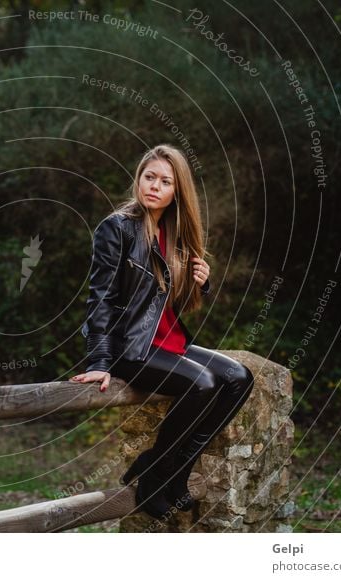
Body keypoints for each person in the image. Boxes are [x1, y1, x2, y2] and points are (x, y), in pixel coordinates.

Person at [70, 144, 255, 520]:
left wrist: (199, 282)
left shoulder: (176, 232)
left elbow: (175, 303)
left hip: (166, 341)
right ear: (138, 179)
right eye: (149, 177)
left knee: (239, 377)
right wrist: (101, 360)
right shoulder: (117, 228)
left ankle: (175, 472)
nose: (154, 186)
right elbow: (101, 297)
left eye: (165, 181)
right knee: (201, 384)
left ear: (177, 190)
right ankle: (156, 476)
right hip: (130, 347)